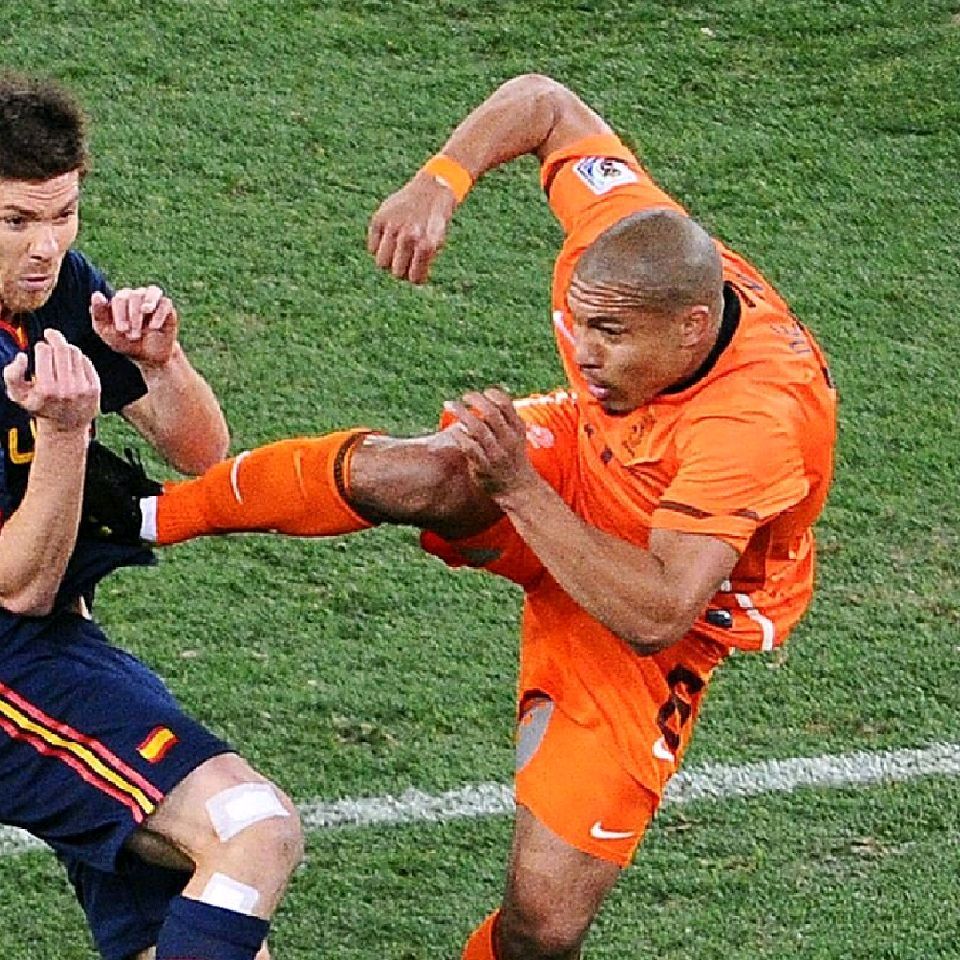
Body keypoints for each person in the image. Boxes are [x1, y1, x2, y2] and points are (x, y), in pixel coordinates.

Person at [112, 74, 837, 959]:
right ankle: (143, 514)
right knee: (420, 470)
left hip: (663, 600)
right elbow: (545, 102)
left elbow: (657, 611)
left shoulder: (755, 425)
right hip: (584, 464)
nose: (584, 352)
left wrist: (522, 491)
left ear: (692, 328)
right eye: (579, 324)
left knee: (544, 926)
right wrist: (441, 181)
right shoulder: (625, 243)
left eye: (609, 335)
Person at [0, 73, 303, 960]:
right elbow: (18, 588)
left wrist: (161, 364)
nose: (46, 247)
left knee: (198, 915)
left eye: (63, 215)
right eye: (16, 220)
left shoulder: (56, 288)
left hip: (53, 650)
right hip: (17, 651)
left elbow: (205, 452)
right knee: (251, 828)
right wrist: (66, 433)